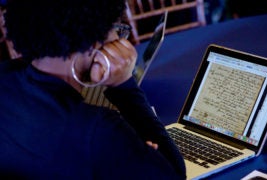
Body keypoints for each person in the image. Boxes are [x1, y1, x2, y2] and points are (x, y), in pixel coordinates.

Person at [0, 0, 186, 179]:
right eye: (116, 29)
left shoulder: (5, 76)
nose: (119, 38)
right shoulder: (98, 130)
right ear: (90, 43)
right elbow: (174, 173)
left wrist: (127, 156)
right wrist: (124, 86)